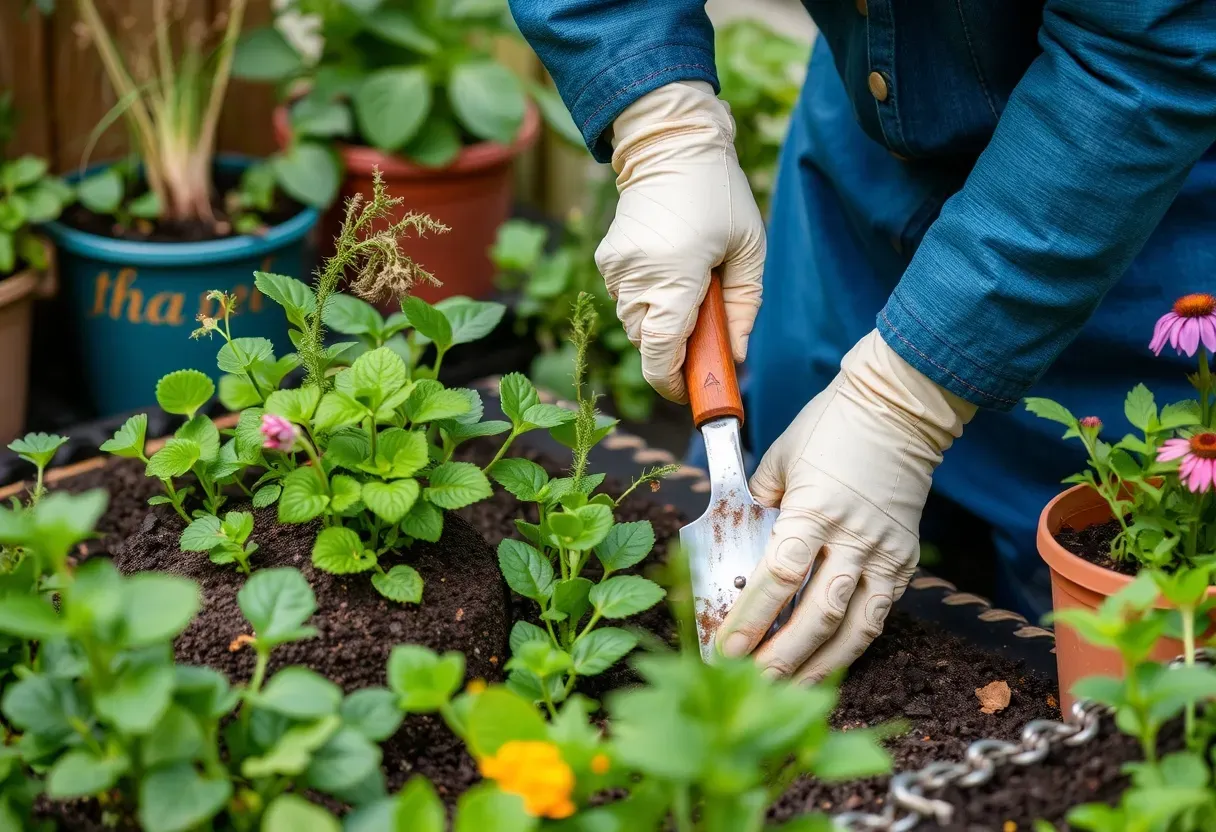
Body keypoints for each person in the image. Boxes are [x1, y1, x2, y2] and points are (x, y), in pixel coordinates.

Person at [507, 0, 1216, 683]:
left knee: (1093, 650)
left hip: (1127, 200)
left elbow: (1149, 41)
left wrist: (902, 401)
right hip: (875, 133)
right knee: (790, 505)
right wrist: (660, 126)